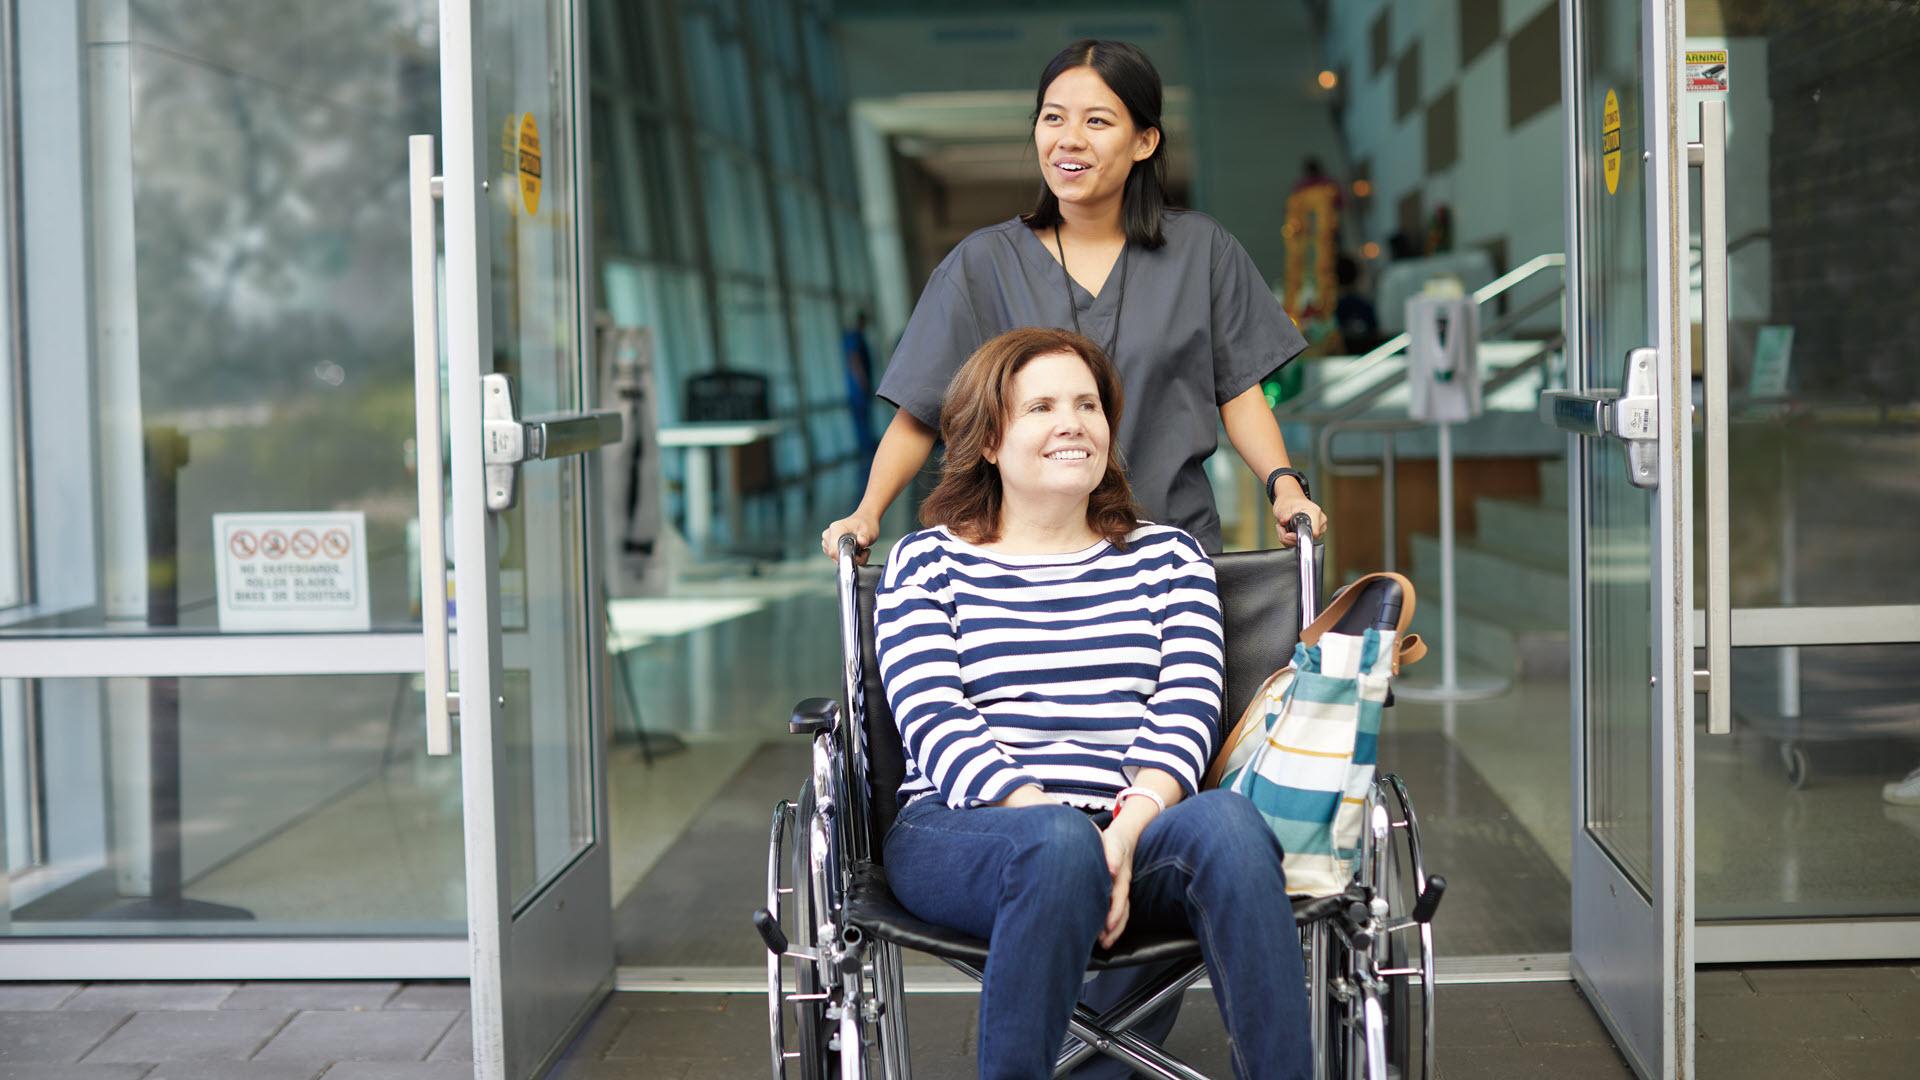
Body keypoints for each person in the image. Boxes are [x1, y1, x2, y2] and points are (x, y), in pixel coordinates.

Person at [874, 327, 1312, 1080]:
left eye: (1088, 404)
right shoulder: (929, 561)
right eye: (1040, 406)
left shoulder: (1167, 556)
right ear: (988, 438)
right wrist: (1058, 827)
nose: (1072, 422)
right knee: (1055, 844)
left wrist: (1122, 833)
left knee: (1231, 824)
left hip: (1132, 830)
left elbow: (1187, 704)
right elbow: (933, 717)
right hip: (969, 834)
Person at [822, 38, 1325, 563]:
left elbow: (1240, 395)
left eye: (1098, 122)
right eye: (1053, 118)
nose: (1069, 140)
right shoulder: (982, 264)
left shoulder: (1203, 251)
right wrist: (867, 511)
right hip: (1018, 562)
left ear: (1145, 141)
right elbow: (921, 413)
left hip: (1170, 557)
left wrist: (1283, 484)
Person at [843, 311, 879, 471]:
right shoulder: (854, 337)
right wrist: (863, 382)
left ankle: (868, 452)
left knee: (864, 420)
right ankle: (867, 454)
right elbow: (854, 361)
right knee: (862, 421)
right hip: (858, 389)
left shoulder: (855, 337)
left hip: (856, 389)